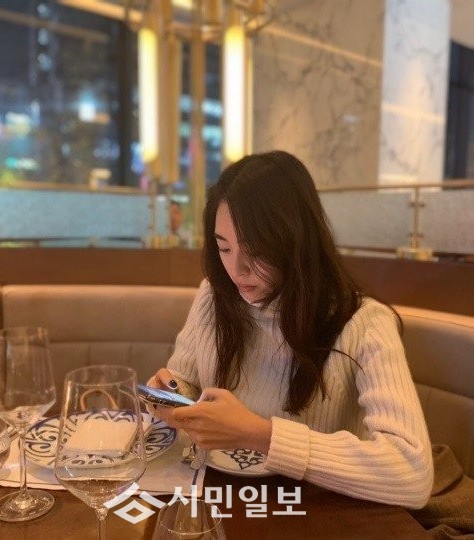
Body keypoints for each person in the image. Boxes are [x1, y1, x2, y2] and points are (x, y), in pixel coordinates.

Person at [149, 150, 433, 509]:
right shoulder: (214, 295)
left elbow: (412, 474)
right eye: (224, 247)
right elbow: (185, 380)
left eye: (255, 250)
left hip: (313, 509)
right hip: (220, 497)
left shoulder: (364, 323)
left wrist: (258, 434)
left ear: (296, 241)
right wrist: (173, 394)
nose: (237, 270)